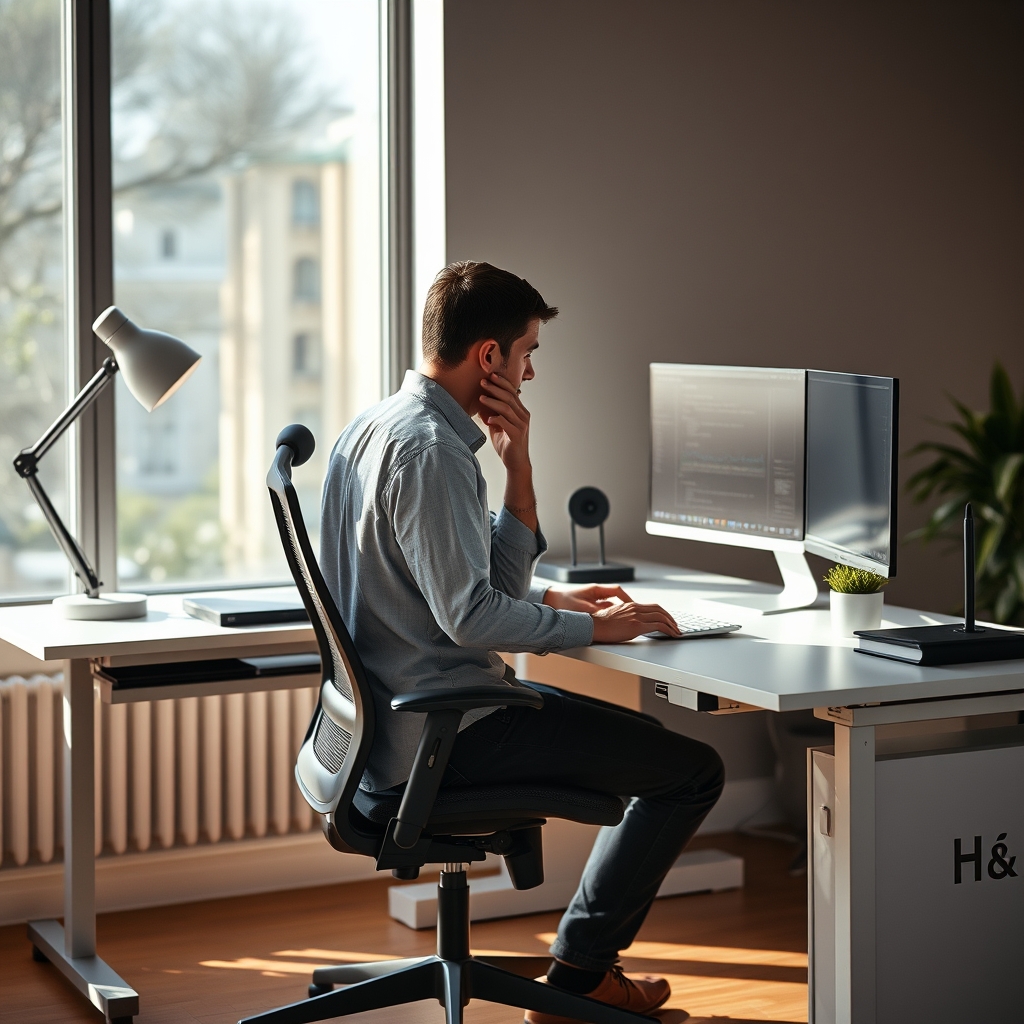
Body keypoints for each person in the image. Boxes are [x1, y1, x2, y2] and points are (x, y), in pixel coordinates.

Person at [320, 261, 725, 1023]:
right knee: (691, 770)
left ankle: (579, 967)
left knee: (646, 745)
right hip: (444, 731)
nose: (531, 371)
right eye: (528, 351)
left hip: (390, 730)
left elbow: (462, 584)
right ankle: (578, 978)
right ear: (488, 357)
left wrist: (520, 475)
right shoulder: (433, 453)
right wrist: (595, 628)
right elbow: (471, 618)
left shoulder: (376, 427)